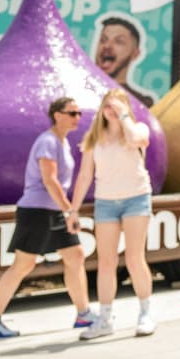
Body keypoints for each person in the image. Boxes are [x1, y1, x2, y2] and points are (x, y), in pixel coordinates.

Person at [0, 96, 93, 339]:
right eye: (72, 113)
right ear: (57, 115)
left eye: (79, 113)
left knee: (75, 255)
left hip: (53, 211)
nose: (77, 118)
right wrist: (70, 210)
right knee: (23, 265)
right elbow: (50, 181)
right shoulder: (47, 141)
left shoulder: (61, 142)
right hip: (37, 211)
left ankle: (84, 314)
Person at [70, 88, 157, 338]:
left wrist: (124, 116)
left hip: (136, 198)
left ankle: (146, 313)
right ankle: (105, 319)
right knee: (106, 261)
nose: (111, 110)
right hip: (106, 202)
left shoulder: (138, 128)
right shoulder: (94, 138)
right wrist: (73, 210)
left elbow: (135, 140)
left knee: (133, 258)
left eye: (117, 106)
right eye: (107, 106)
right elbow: (85, 175)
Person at [94, 14, 154, 106]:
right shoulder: (76, 92)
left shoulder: (141, 103)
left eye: (119, 42)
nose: (107, 46)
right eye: (103, 40)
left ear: (135, 54)